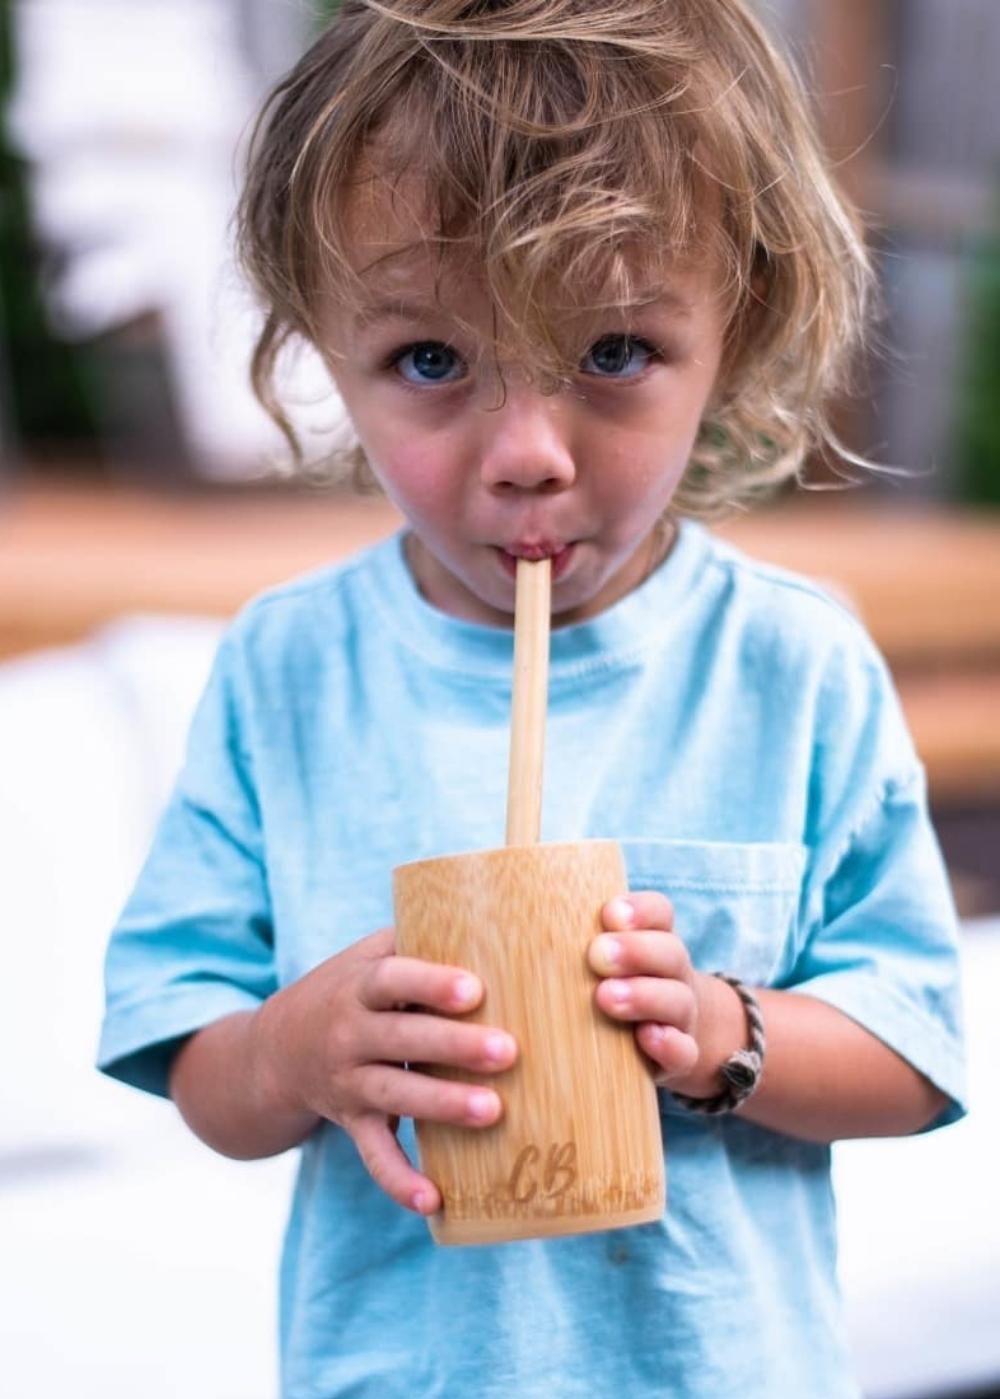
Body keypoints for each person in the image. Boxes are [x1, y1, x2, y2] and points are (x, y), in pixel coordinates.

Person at [98, 2, 966, 1395]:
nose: (525, 456)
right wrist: (292, 1050)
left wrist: (728, 1033)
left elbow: (918, 1052)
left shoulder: (792, 666)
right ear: (325, 345)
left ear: (732, 327)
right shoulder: (288, 671)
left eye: (613, 352)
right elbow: (189, 1052)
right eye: (431, 361)